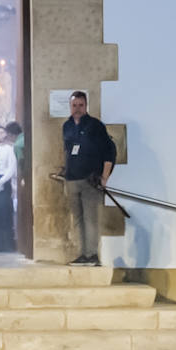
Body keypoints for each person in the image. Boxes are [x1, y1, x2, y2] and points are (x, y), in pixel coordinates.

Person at [62, 91, 116, 267]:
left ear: (86, 106)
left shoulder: (96, 126)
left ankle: (92, 254)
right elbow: (68, 150)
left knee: (90, 218)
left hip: (90, 179)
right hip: (72, 179)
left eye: (80, 105)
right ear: (70, 106)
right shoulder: (67, 126)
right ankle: (81, 254)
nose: (77, 109)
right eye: (74, 105)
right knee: (76, 219)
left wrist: (104, 177)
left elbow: (109, 152)